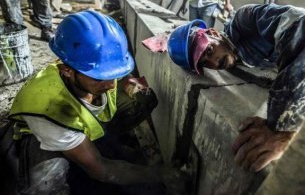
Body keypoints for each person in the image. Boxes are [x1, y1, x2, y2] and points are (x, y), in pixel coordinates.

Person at [6, 10, 185, 193]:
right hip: (43, 137)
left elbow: (120, 72)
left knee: (143, 99)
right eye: (100, 78)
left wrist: (132, 84)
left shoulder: (92, 63)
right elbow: (102, 170)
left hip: (79, 124)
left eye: (113, 73)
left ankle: (105, 143)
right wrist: (159, 174)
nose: (111, 84)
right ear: (67, 71)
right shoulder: (51, 108)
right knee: (47, 185)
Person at [168, 3, 305, 172]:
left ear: (214, 34)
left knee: (302, 98)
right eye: (205, 64)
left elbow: (304, 23)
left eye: (209, 51)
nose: (214, 62)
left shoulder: (244, 20)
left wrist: (282, 127)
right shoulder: (237, 57)